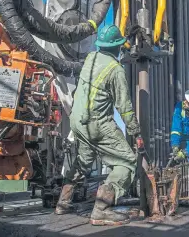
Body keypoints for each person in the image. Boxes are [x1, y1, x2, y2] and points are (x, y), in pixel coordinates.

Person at [55, 24, 143, 226]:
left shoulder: (90, 59)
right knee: (127, 161)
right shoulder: (116, 70)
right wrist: (135, 131)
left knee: (84, 160)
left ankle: (63, 202)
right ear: (118, 47)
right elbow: (125, 106)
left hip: (77, 121)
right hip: (97, 123)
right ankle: (101, 209)